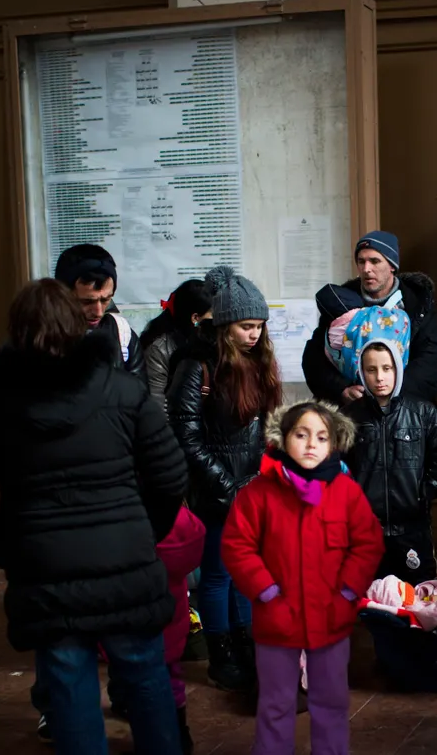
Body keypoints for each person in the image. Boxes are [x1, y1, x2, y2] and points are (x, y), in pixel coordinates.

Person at [0, 279, 187, 755]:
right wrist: (141, 534)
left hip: (45, 569)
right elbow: (170, 476)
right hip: (125, 561)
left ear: (17, 330)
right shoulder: (123, 391)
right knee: (144, 676)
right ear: (76, 325)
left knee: (69, 684)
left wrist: (11, 549)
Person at [222, 401, 385, 755]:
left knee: (331, 703)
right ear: (282, 438)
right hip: (276, 620)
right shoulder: (258, 494)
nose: (312, 444)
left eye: (322, 437)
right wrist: (267, 594)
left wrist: (346, 595)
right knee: (276, 704)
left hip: (331, 619)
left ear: (334, 444)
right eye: (302, 434)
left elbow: (367, 543)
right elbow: (237, 545)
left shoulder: (346, 492)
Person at [167, 266, 282, 693]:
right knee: (217, 575)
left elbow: (261, 430)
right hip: (216, 489)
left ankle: (246, 646)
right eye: (246, 326)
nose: (254, 334)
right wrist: (226, 487)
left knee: (244, 573)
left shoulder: (257, 362)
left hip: (249, 486)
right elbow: (186, 436)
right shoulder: (196, 368)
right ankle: (221, 656)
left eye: (259, 326)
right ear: (223, 325)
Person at [344, 337, 437, 583]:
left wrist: (427, 489)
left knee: (417, 596)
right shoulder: (349, 416)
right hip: (365, 529)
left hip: (412, 528)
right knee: (372, 599)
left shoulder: (423, 412)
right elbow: (336, 464)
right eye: (371, 370)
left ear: (398, 369)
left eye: (387, 368)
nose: (379, 377)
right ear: (362, 373)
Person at [302, 230, 437, 404]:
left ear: (392, 265)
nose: (366, 269)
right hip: (354, 411)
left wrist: (392, 394)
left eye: (375, 261)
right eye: (361, 262)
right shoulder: (341, 303)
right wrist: (342, 389)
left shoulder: (417, 303)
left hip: (405, 410)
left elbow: (430, 360)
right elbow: (315, 357)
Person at [108, 506, 205, 755]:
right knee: (171, 677)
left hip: (133, 619)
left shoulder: (125, 527)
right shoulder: (176, 520)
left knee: (137, 679)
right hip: (173, 618)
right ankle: (181, 734)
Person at [54, 243, 145, 378]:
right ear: (63, 294)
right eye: (87, 302)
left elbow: (140, 393)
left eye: (105, 300)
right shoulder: (42, 336)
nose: (98, 312)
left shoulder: (122, 333)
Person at [140, 279, 213, 412]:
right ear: (195, 318)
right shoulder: (158, 349)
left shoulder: (205, 342)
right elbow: (157, 405)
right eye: (212, 316)